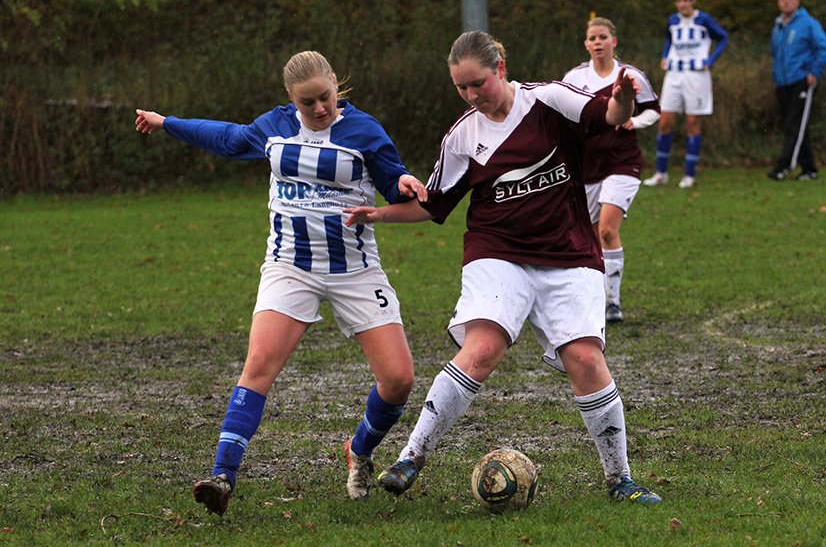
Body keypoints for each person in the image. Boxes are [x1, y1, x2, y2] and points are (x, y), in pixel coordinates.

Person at [345, 31, 662, 505]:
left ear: (500, 68)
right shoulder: (462, 136)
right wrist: (379, 213)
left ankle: (620, 479)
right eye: (461, 88)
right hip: (497, 251)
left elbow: (609, 117)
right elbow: (435, 204)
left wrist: (622, 99)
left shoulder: (549, 100)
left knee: (585, 360)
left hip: (568, 253)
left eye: (478, 84)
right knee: (482, 348)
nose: (472, 95)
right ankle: (411, 456)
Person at [134, 50, 427, 513]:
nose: (320, 108)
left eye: (325, 97)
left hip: (355, 271)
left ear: (336, 84)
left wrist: (406, 181)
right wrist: (167, 122)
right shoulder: (274, 127)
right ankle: (222, 477)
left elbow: (398, 188)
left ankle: (359, 450)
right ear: (291, 98)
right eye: (307, 102)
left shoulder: (365, 132)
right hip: (290, 268)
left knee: (399, 380)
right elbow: (226, 137)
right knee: (258, 366)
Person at [563, 16, 660, 324]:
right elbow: (563, 114)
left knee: (607, 229)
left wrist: (636, 120)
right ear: (586, 44)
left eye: (603, 37)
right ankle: (597, 299)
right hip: (587, 166)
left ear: (613, 41)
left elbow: (654, 110)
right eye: (592, 38)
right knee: (592, 237)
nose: (598, 43)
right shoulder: (574, 77)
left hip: (622, 161)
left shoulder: (630, 75)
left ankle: (613, 303)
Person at [644, 0, 729, 189]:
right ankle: (661, 173)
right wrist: (664, 55)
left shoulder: (704, 20)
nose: (682, 4)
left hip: (696, 76)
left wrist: (710, 60)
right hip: (674, 74)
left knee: (692, 122)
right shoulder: (672, 20)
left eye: (685, 0)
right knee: (664, 122)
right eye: (679, 1)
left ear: (693, 1)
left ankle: (689, 174)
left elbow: (723, 38)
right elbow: (668, 39)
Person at [767, 0, 826, 181]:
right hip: (783, 82)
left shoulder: (808, 23)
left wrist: (814, 71)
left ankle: (784, 166)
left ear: (797, 0)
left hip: (802, 80)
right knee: (794, 125)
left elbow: (824, 49)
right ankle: (809, 168)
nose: (786, 2)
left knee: (794, 124)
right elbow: (775, 53)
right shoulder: (777, 26)